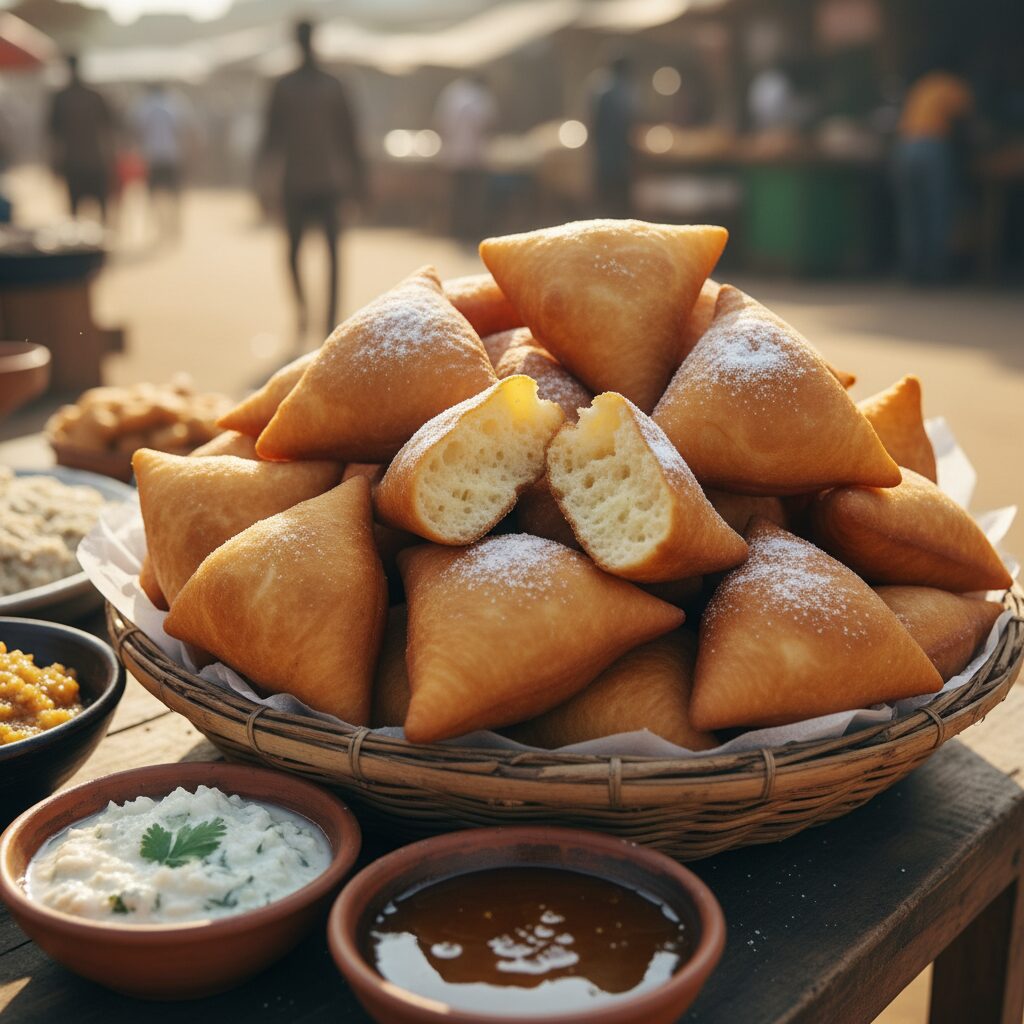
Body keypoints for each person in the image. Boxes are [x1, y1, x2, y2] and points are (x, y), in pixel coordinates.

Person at [261, 20, 365, 344]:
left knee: (330, 254)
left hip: (325, 182)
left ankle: (327, 321)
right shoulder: (287, 86)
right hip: (298, 182)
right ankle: (305, 312)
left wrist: (360, 182)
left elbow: (350, 137)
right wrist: (262, 183)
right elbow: (271, 138)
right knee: (296, 253)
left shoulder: (330, 85)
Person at [894, 62, 975, 283]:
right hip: (933, 147)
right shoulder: (955, 86)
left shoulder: (923, 84)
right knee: (937, 209)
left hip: (905, 147)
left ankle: (913, 270)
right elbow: (964, 125)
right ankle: (937, 271)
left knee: (912, 212)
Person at [47, 54, 116, 224]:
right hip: (94, 161)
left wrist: (55, 163)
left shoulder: (61, 98)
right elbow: (110, 129)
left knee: (75, 214)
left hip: (75, 162)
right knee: (100, 212)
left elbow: (53, 135)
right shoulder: (94, 96)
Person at [434, 74, 497, 242]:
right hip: (474, 155)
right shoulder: (481, 97)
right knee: (472, 197)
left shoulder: (452, 93)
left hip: (453, 154)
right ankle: (470, 230)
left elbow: (440, 123)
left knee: (457, 195)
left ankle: (456, 229)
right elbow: (487, 124)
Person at [133, 83, 191, 242]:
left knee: (154, 195)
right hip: (172, 156)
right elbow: (183, 131)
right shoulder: (174, 104)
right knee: (174, 194)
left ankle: (160, 226)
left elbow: (138, 131)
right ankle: (174, 226)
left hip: (152, 157)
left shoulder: (144, 106)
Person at [589, 56, 636, 218]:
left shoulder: (600, 88)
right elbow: (630, 121)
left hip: (603, 152)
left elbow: (593, 122)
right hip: (620, 153)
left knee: (606, 197)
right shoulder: (623, 90)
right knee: (620, 199)